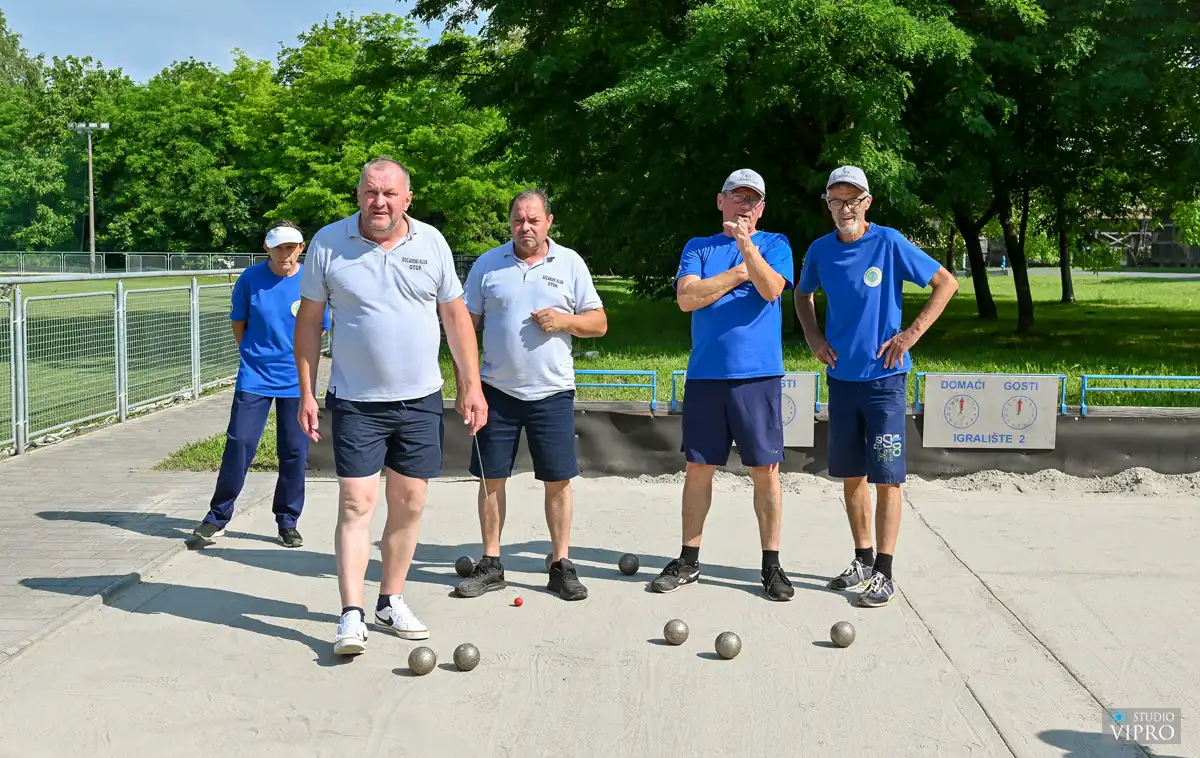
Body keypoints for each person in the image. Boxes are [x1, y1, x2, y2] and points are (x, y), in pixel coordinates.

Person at [294, 157, 487, 657]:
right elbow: (310, 323)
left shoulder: (432, 243)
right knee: (357, 502)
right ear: (358, 194)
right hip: (357, 402)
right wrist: (307, 390)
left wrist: (472, 385)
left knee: (410, 504)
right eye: (370, 192)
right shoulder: (328, 243)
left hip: (420, 399)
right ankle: (351, 614)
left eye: (389, 194)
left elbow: (456, 318)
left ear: (407, 198)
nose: (378, 202)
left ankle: (390, 599)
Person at [794, 165, 958, 607]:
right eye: (836, 200)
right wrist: (813, 337)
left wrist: (911, 334)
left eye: (852, 200)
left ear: (867, 202)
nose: (843, 208)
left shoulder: (888, 242)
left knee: (887, 478)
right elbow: (801, 293)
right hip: (841, 381)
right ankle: (862, 558)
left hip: (885, 381)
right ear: (827, 204)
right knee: (851, 475)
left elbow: (946, 283)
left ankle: (884, 573)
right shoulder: (820, 250)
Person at [453, 189, 608, 602]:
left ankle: (560, 565)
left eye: (533, 220)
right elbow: (464, 330)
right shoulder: (488, 265)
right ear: (510, 222)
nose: (526, 227)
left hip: (552, 391)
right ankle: (491, 564)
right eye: (519, 220)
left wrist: (564, 320)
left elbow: (600, 324)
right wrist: (467, 386)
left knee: (558, 480)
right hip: (495, 392)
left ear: (549, 222)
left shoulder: (570, 263)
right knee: (491, 479)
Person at [650, 168, 797, 602]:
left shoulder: (775, 245)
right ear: (721, 201)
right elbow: (686, 298)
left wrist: (747, 249)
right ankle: (689, 560)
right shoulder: (698, 247)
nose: (745, 206)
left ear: (762, 209)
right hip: (707, 377)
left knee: (765, 472)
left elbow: (771, 289)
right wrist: (738, 274)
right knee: (698, 469)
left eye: (753, 200)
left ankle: (771, 566)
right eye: (737, 197)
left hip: (758, 376)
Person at [191, 221, 329, 548]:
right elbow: (239, 323)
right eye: (279, 247)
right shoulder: (250, 279)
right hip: (255, 376)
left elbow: (319, 329)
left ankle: (287, 520)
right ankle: (217, 516)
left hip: (297, 380)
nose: (286, 253)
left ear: (302, 247)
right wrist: (255, 355)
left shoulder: (312, 281)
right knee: (239, 443)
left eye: (292, 246)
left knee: (294, 451)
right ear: (267, 247)